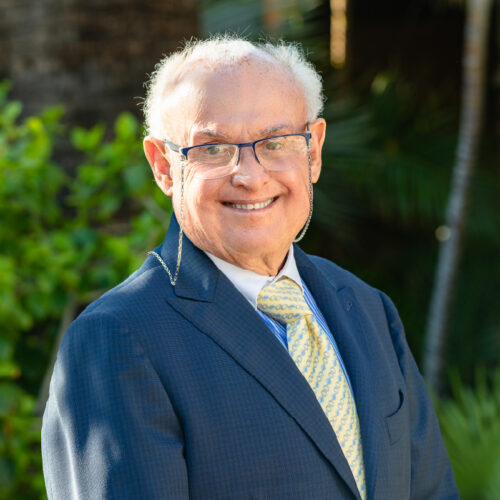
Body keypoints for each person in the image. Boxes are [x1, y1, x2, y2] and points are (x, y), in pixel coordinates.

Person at [41, 36, 458, 499]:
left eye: (276, 142)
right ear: (163, 166)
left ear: (314, 151)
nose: (251, 176)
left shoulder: (369, 309)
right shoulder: (116, 340)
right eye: (214, 149)